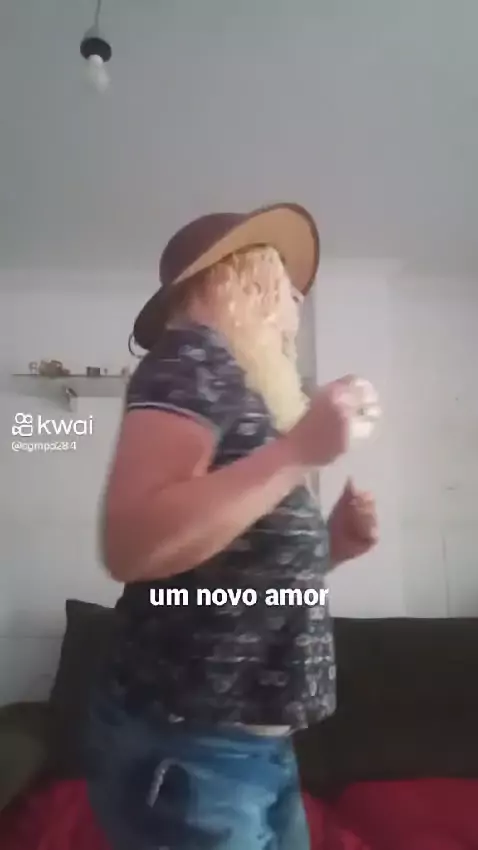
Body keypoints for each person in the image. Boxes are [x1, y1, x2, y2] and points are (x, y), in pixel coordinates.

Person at [85, 202, 378, 850]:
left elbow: (226, 568)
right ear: (243, 279)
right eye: (286, 281)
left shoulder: (238, 386)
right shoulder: (191, 357)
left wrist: (328, 548)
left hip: (246, 748)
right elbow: (131, 544)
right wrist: (298, 451)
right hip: (190, 749)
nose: (298, 301)